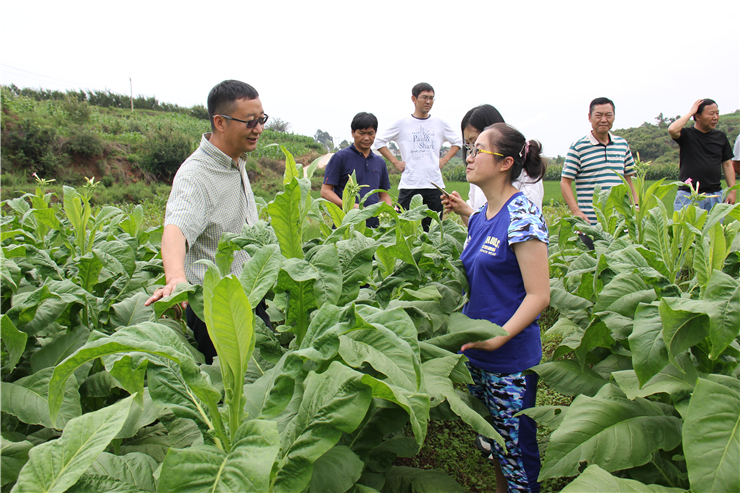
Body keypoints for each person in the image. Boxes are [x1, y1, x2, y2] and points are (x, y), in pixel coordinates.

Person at [453, 123, 550, 493]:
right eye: (469, 148)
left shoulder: (522, 214)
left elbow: (539, 295)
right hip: (479, 355)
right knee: (496, 446)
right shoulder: (480, 217)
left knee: (517, 454)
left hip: (510, 361)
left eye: (479, 150)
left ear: (506, 162)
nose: (470, 157)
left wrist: (497, 339)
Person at [144, 80, 267, 363]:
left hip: (249, 297)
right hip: (216, 312)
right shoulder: (195, 175)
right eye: (250, 122)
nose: (258, 128)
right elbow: (176, 228)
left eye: (261, 120)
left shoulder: (236, 160)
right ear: (220, 122)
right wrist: (175, 277)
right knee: (230, 392)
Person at [374, 82, 462, 230]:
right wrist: (395, 162)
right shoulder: (402, 123)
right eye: (425, 97)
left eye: (432, 98)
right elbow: (379, 141)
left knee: (434, 229)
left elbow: (458, 141)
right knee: (402, 227)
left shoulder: (439, 123)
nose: (428, 101)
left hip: (434, 184)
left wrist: (444, 160)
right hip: (410, 183)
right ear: (414, 99)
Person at [442, 104, 545, 226]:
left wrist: (468, 211)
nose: (470, 156)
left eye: (476, 146)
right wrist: (462, 209)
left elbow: (522, 228)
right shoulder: (480, 175)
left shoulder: (526, 178)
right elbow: (475, 227)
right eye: (468, 145)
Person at [560, 97, 638, 224]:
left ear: (614, 117)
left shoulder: (622, 145)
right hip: (590, 224)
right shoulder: (578, 147)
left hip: (620, 224)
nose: (603, 120)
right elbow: (565, 182)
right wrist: (576, 211)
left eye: (608, 115)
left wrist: (636, 205)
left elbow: (630, 178)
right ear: (589, 117)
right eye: (598, 115)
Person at [321, 112, 392, 227]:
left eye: (370, 133)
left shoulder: (380, 162)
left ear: (375, 134)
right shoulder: (340, 157)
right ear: (353, 132)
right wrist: (350, 206)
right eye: (361, 133)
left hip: (373, 224)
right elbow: (325, 191)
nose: (366, 138)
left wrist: (388, 211)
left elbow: (384, 195)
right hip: (345, 222)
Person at [668, 98, 736, 210]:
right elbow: (672, 130)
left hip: (715, 194)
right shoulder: (687, 135)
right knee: (686, 227)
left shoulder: (720, 137)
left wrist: (732, 191)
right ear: (698, 117)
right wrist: (691, 113)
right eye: (711, 114)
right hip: (689, 195)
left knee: (714, 228)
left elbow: (727, 165)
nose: (715, 117)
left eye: (717, 113)